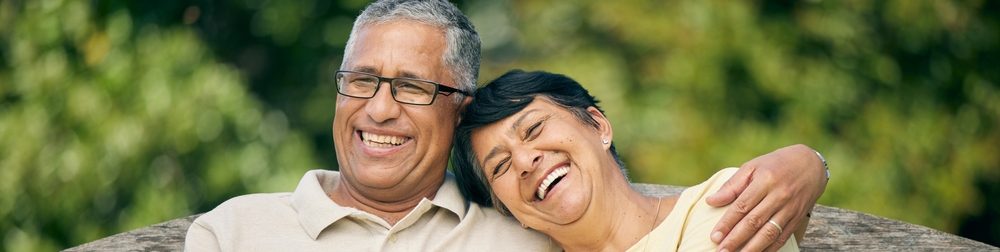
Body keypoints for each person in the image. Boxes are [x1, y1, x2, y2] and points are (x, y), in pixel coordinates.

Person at [185, 0, 829, 251]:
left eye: (411, 87)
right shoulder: (233, 231)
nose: (379, 109)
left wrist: (807, 163)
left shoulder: (518, 236)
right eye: (362, 81)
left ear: (457, 107)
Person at [453, 70, 809, 251]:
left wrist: (809, 161)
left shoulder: (725, 207)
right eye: (500, 167)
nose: (526, 161)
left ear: (598, 125)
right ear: (509, 211)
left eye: (533, 129)